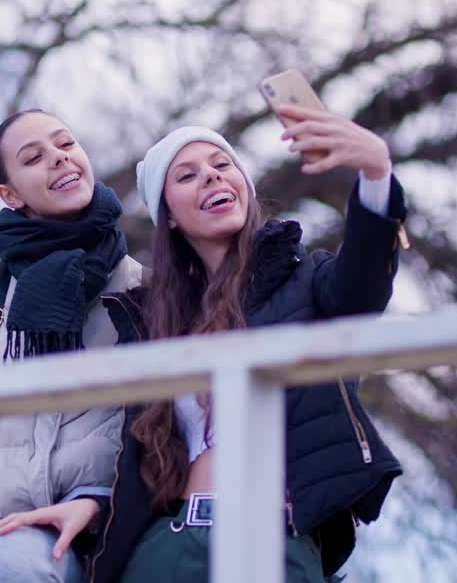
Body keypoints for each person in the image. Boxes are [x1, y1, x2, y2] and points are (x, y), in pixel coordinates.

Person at [90, 104, 407, 583]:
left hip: (273, 540)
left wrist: (376, 172)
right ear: (168, 215)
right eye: (188, 175)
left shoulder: (308, 282)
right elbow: (120, 451)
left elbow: (362, 286)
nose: (213, 179)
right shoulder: (149, 319)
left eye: (223, 167)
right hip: (170, 543)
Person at [0, 110, 143, 583]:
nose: (59, 159)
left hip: (104, 520)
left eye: (65, 144)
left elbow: (159, 431)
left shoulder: (143, 289)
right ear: (10, 194)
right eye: (34, 157)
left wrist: (96, 503)